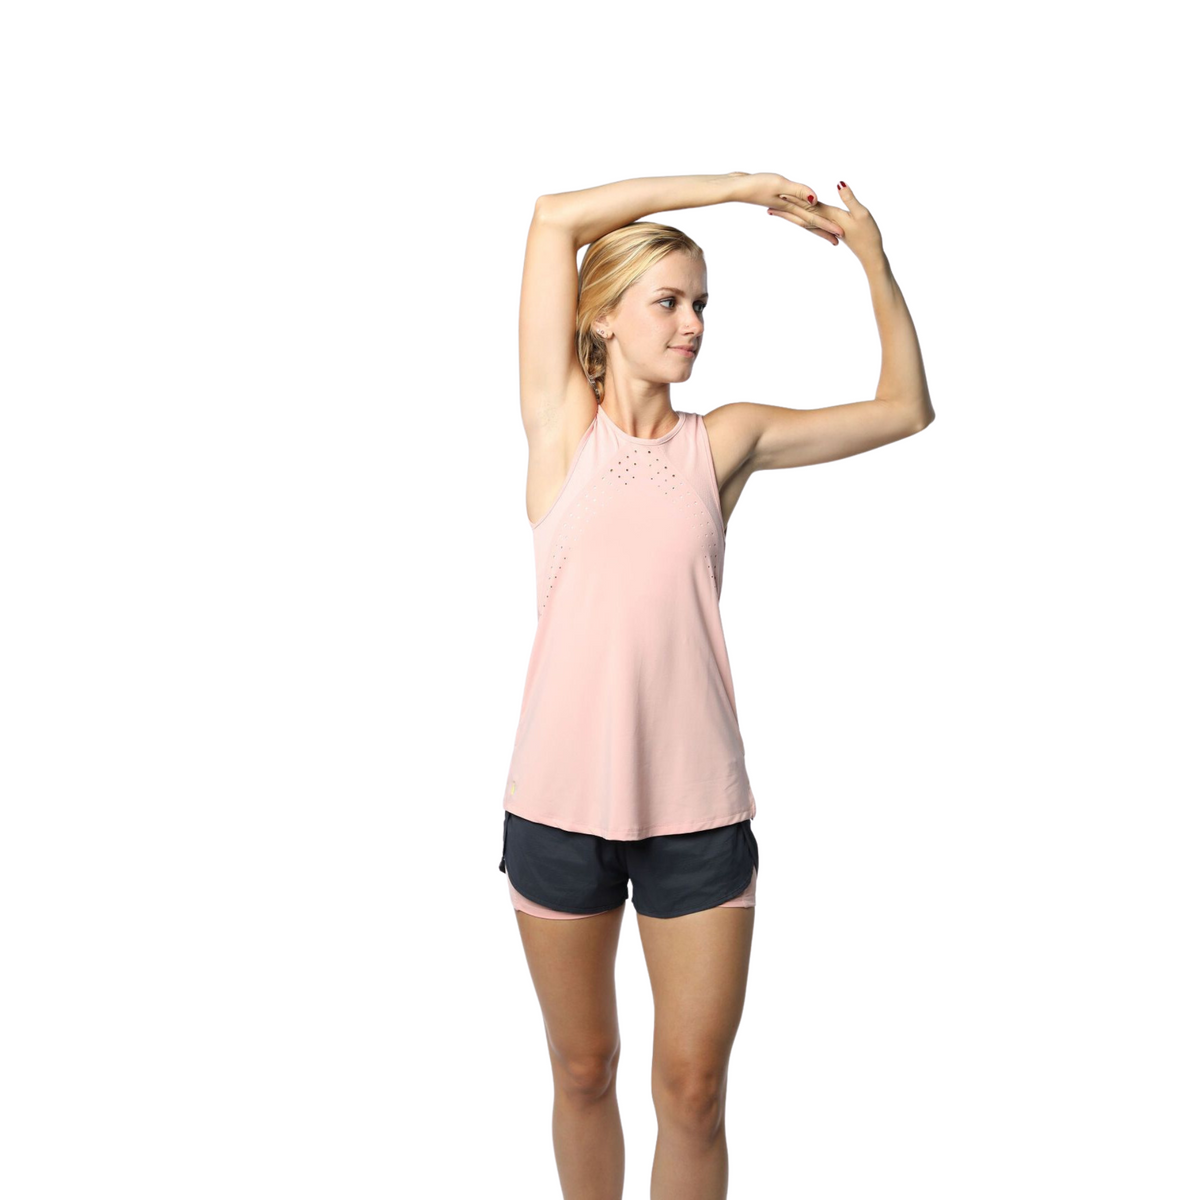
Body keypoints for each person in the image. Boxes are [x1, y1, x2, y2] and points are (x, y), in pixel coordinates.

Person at [497, 172, 935, 1199]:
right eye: (670, 302)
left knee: (693, 1089)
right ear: (600, 318)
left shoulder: (722, 443)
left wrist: (868, 251)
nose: (692, 324)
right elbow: (553, 216)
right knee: (582, 1070)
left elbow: (906, 409)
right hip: (557, 809)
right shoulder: (561, 429)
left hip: (697, 813)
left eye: (702, 306)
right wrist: (739, 188)